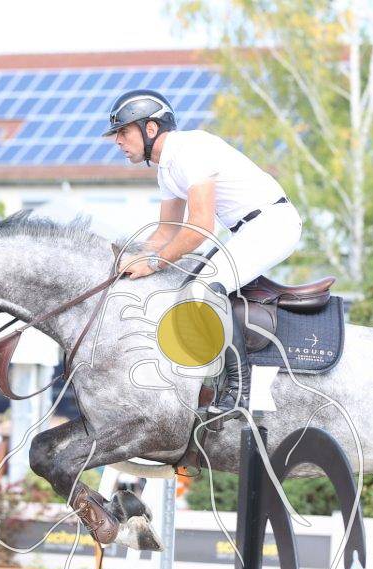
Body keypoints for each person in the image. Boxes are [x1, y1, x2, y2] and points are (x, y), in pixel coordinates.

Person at [104, 89, 303, 415]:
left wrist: (151, 263)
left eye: (123, 132)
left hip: (273, 225)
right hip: (249, 229)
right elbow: (166, 231)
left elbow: (200, 226)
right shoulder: (166, 168)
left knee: (203, 290)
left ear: (150, 128)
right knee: (179, 286)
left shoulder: (189, 150)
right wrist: (126, 260)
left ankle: (241, 391)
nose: (118, 141)